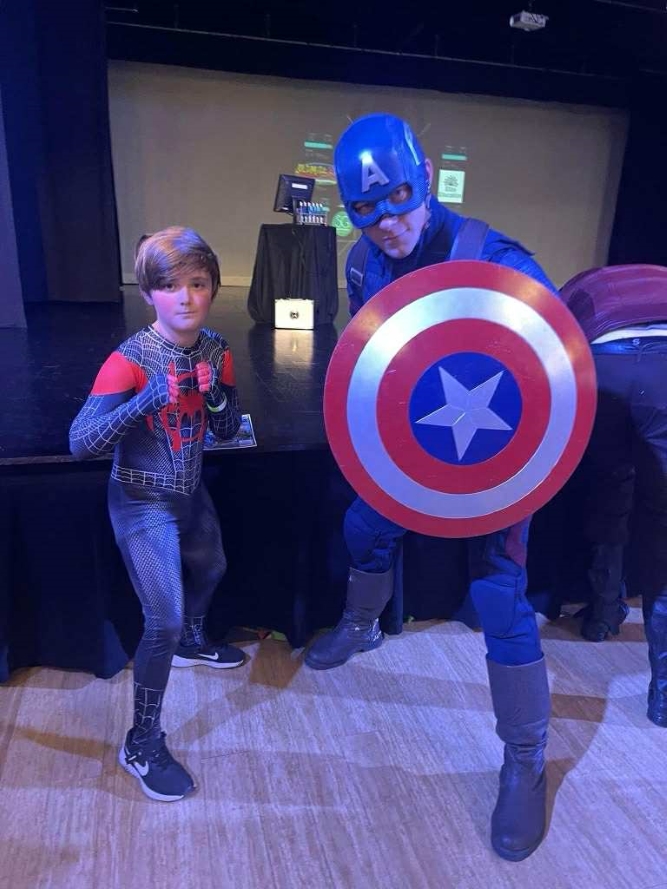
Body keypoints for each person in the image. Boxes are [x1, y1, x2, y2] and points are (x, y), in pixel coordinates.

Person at [305, 113, 558, 861]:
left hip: (495, 466)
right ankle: (359, 624)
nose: (387, 225)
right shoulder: (361, 264)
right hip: (411, 454)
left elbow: (553, 365)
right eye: (366, 212)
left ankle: (524, 760)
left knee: (498, 597)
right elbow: (375, 363)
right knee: (362, 530)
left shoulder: (494, 255)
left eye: (400, 201)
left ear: (424, 179)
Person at [69, 226, 246, 802]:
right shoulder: (129, 359)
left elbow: (224, 428)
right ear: (148, 293)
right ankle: (141, 741)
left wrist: (216, 395)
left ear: (213, 288)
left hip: (190, 491)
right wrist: (147, 399)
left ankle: (196, 638)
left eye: (198, 283)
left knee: (214, 568)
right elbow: (81, 442)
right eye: (170, 286)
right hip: (141, 499)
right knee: (160, 622)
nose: (186, 297)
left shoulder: (218, 351)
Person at [560, 264, 667, 727]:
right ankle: (663, 693)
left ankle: (603, 614)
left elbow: (555, 339)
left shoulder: (584, 284)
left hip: (603, 364)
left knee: (610, 487)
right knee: (663, 521)